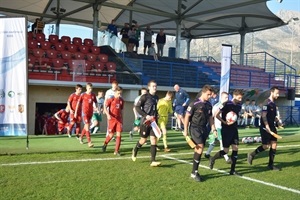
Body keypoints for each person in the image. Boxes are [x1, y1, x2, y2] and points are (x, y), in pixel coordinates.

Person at [182, 85, 216, 182]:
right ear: (203, 92)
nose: (209, 96)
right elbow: (187, 117)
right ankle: (195, 172)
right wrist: (185, 130)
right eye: (208, 94)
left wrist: (213, 128)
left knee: (198, 150)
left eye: (211, 95)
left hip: (204, 128)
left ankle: (194, 171)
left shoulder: (209, 105)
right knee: (200, 147)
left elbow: (210, 118)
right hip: (194, 128)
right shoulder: (194, 103)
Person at [208, 89, 244, 176]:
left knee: (235, 148)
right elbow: (216, 115)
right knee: (226, 151)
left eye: (241, 98)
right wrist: (224, 122)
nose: (240, 100)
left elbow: (236, 116)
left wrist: (235, 118)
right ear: (234, 96)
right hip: (226, 130)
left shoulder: (239, 106)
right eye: (239, 98)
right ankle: (213, 158)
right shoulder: (226, 104)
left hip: (234, 129)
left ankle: (233, 170)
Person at [247, 86, 282, 171]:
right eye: (276, 93)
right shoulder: (266, 103)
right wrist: (266, 126)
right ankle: (252, 154)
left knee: (274, 145)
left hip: (272, 127)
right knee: (266, 146)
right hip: (265, 127)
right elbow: (263, 115)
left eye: (278, 93)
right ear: (272, 92)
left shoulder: (273, 104)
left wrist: (277, 121)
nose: (278, 95)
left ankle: (270, 165)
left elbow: (272, 116)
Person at [131, 80, 161, 167]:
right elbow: (137, 107)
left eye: (155, 86)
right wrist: (146, 115)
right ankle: (135, 149)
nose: (155, 88)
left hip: (153, 122)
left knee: (153, 140)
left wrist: (157, 115)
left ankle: (153, 161)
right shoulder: (145, 96)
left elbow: (155, 109)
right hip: (145, 122)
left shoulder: (156, 97)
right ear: (149, 87)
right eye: (153, 86)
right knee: (143, 140)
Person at [204, 92, 231, 164]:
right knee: (222, 142)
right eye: (225, 97)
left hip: (225, 127)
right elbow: (212, 117)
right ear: (221, 98)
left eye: (227, 97)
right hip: (218, 127)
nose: (227, 99)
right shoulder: (216, 106)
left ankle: (207, 154)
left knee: (213, 142)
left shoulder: (228, 106)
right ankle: (227, 158)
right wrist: (213, 127)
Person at [102, 87, 124, 156]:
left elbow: (122, 110)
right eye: (118, 93)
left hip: (119, 120)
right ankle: (105, 144)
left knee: (119, 135)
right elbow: (104, 107)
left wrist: (122, 119)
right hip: (112, 119)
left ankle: (116, 151)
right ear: (115, 93)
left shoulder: (121, 100)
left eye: (120, 93)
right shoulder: (111, 99)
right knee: (111, 135)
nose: (119, 95)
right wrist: (108, 114)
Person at [74, 83, 98, 148]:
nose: (90, 89)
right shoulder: (83, 95)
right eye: (89, 88)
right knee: (87, 126)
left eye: (91, 88)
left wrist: (96, 108)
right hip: (84, 113)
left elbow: (95, 102)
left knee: (86, 126)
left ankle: (81, 137)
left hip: (90, 113)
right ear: (86, 88)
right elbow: (78, 103)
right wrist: (76, 112)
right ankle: (89, 142)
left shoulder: (93, 95)